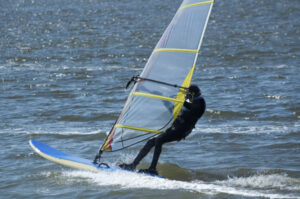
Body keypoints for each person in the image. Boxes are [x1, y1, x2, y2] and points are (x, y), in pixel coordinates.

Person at [119, 84, 206, 175]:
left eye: (188, 94)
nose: (186, 95)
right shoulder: (191, 100)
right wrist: (149, 90)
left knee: (159, 140)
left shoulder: (199, 103)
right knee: (151, 141)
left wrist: (178, 100)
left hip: (182, 131)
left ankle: (152, 168)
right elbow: (180, 107)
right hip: (176, 127)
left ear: (192, 94)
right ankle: (133, 165)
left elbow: (188, 107)